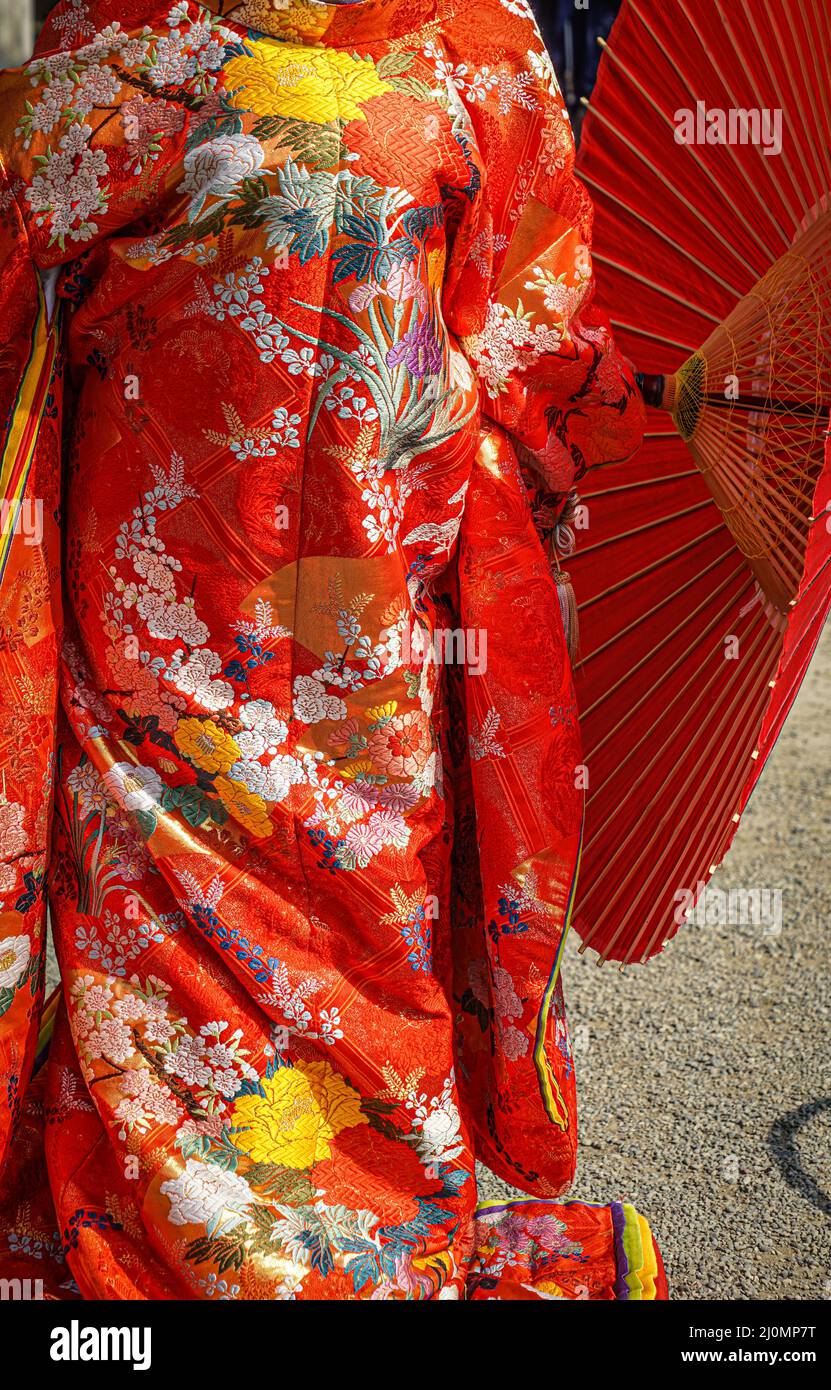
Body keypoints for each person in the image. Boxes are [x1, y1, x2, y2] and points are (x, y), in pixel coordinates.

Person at [0, 0, 665, 1299]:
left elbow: (18, 240)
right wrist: (608, 420)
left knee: (191, 904)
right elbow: (541, 351)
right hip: (315, 628)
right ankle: (351, 1244)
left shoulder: (126, 33)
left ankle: (174, 1237)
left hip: (188, 606)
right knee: (356, 909)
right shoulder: (478, 51)